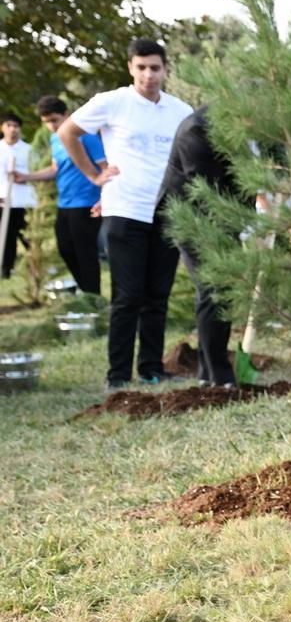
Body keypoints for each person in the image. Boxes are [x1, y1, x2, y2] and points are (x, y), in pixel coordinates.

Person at [59, 38, 195, 388]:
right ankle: (117, 375)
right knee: (127, 296)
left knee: (157, 295)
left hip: (166, 212)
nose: (148, 75)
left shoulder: (180, 111)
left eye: (155, 68)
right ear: (131, 68)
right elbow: (67, 132)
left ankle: (150, 368)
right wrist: (93, 175)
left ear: (165, 69)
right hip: (124, 210)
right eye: (142, 68)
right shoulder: (112, 102)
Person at [160, 107, 248, 387]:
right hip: (193, 219)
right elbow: (206, 192)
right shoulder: (196, 130)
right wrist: (244, 224)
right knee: (213, 289)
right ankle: (218, 375)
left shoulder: (245, 127)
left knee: (223, 291)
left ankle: (208, 372)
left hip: (224, 216)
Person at [19, 97, 107, 295]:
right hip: (65, 203)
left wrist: (104, 197)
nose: (51, 125)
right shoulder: (54, 139)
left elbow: (105, 169)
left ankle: (93, 298)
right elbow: (54, 170)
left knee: (85, 253)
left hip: (86, 203)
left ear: (67, 114)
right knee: (65, 249)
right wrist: (25, 176)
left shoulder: (86, 137)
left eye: (54, 120)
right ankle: (85, 291)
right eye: (46, 122)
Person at [0, 114, 37, 280]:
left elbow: (37, 172)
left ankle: (35, 269)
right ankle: (6, 270)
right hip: (4, 201)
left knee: (30, 238)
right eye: (9, 125)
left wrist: (25, 177)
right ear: (2, 127)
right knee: (6, 239)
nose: (12, 129)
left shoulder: (29, 150)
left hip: (25, 201)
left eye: (16, 126)